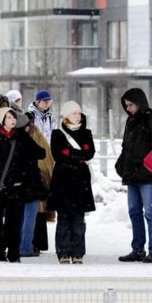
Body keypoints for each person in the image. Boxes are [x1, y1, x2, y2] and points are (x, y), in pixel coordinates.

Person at [0, 107, 40, 263]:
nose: (12, 120)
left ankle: (14, 253)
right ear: (2, 120)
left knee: (14, 222)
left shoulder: (21, 136)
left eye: (13, 117)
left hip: (17, 186)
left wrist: (25, 166)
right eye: (8, 117)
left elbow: (40, 153)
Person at [115, 88, 152, 263]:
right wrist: (121, 165)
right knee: (134, 211)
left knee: (150, 212)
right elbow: (126, 146)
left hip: (147, 175)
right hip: (132, 174)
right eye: (126, 105)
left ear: (139, 102)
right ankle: (138, 249)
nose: (128, 108)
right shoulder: (131, 120)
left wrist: (146, 167)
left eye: (130, 105)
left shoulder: (151, 117)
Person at [47, 101, 96, 264]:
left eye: (79, 112)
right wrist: (79, 155)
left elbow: (89, 153)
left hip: (80, 181)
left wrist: (72, 154)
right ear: (66, 115)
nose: (78, 115)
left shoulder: (86, 132)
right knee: (63, 218)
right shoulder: (57, 133)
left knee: (78, 218)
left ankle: (77, 253)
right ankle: (63, 252)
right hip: (63, 180)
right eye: (74, 112)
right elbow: (58, 154)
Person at [19, 111, 54, 257]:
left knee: (24, 217)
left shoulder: (21, 137)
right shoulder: (26, 139)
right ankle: (26, 247)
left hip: (25, 183)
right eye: (30, 123)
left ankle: (23, 246)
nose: (32, 126)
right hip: (31, 184)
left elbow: (46, 158)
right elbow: (42, 153)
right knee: (29, 217)